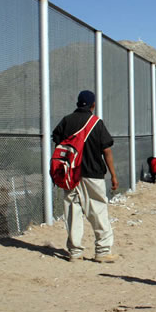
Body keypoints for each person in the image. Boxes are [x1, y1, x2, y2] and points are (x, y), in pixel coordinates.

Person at [52, 90, 118, 263]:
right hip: (93, 174)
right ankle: (102, 251)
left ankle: (74, 252)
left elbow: (57, 141)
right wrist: (113, 175)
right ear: (93, 105)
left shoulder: (66, 121)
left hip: (70, 174)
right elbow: (107, 150)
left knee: (72, 212)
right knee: (98, 211)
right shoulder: (96, 123)